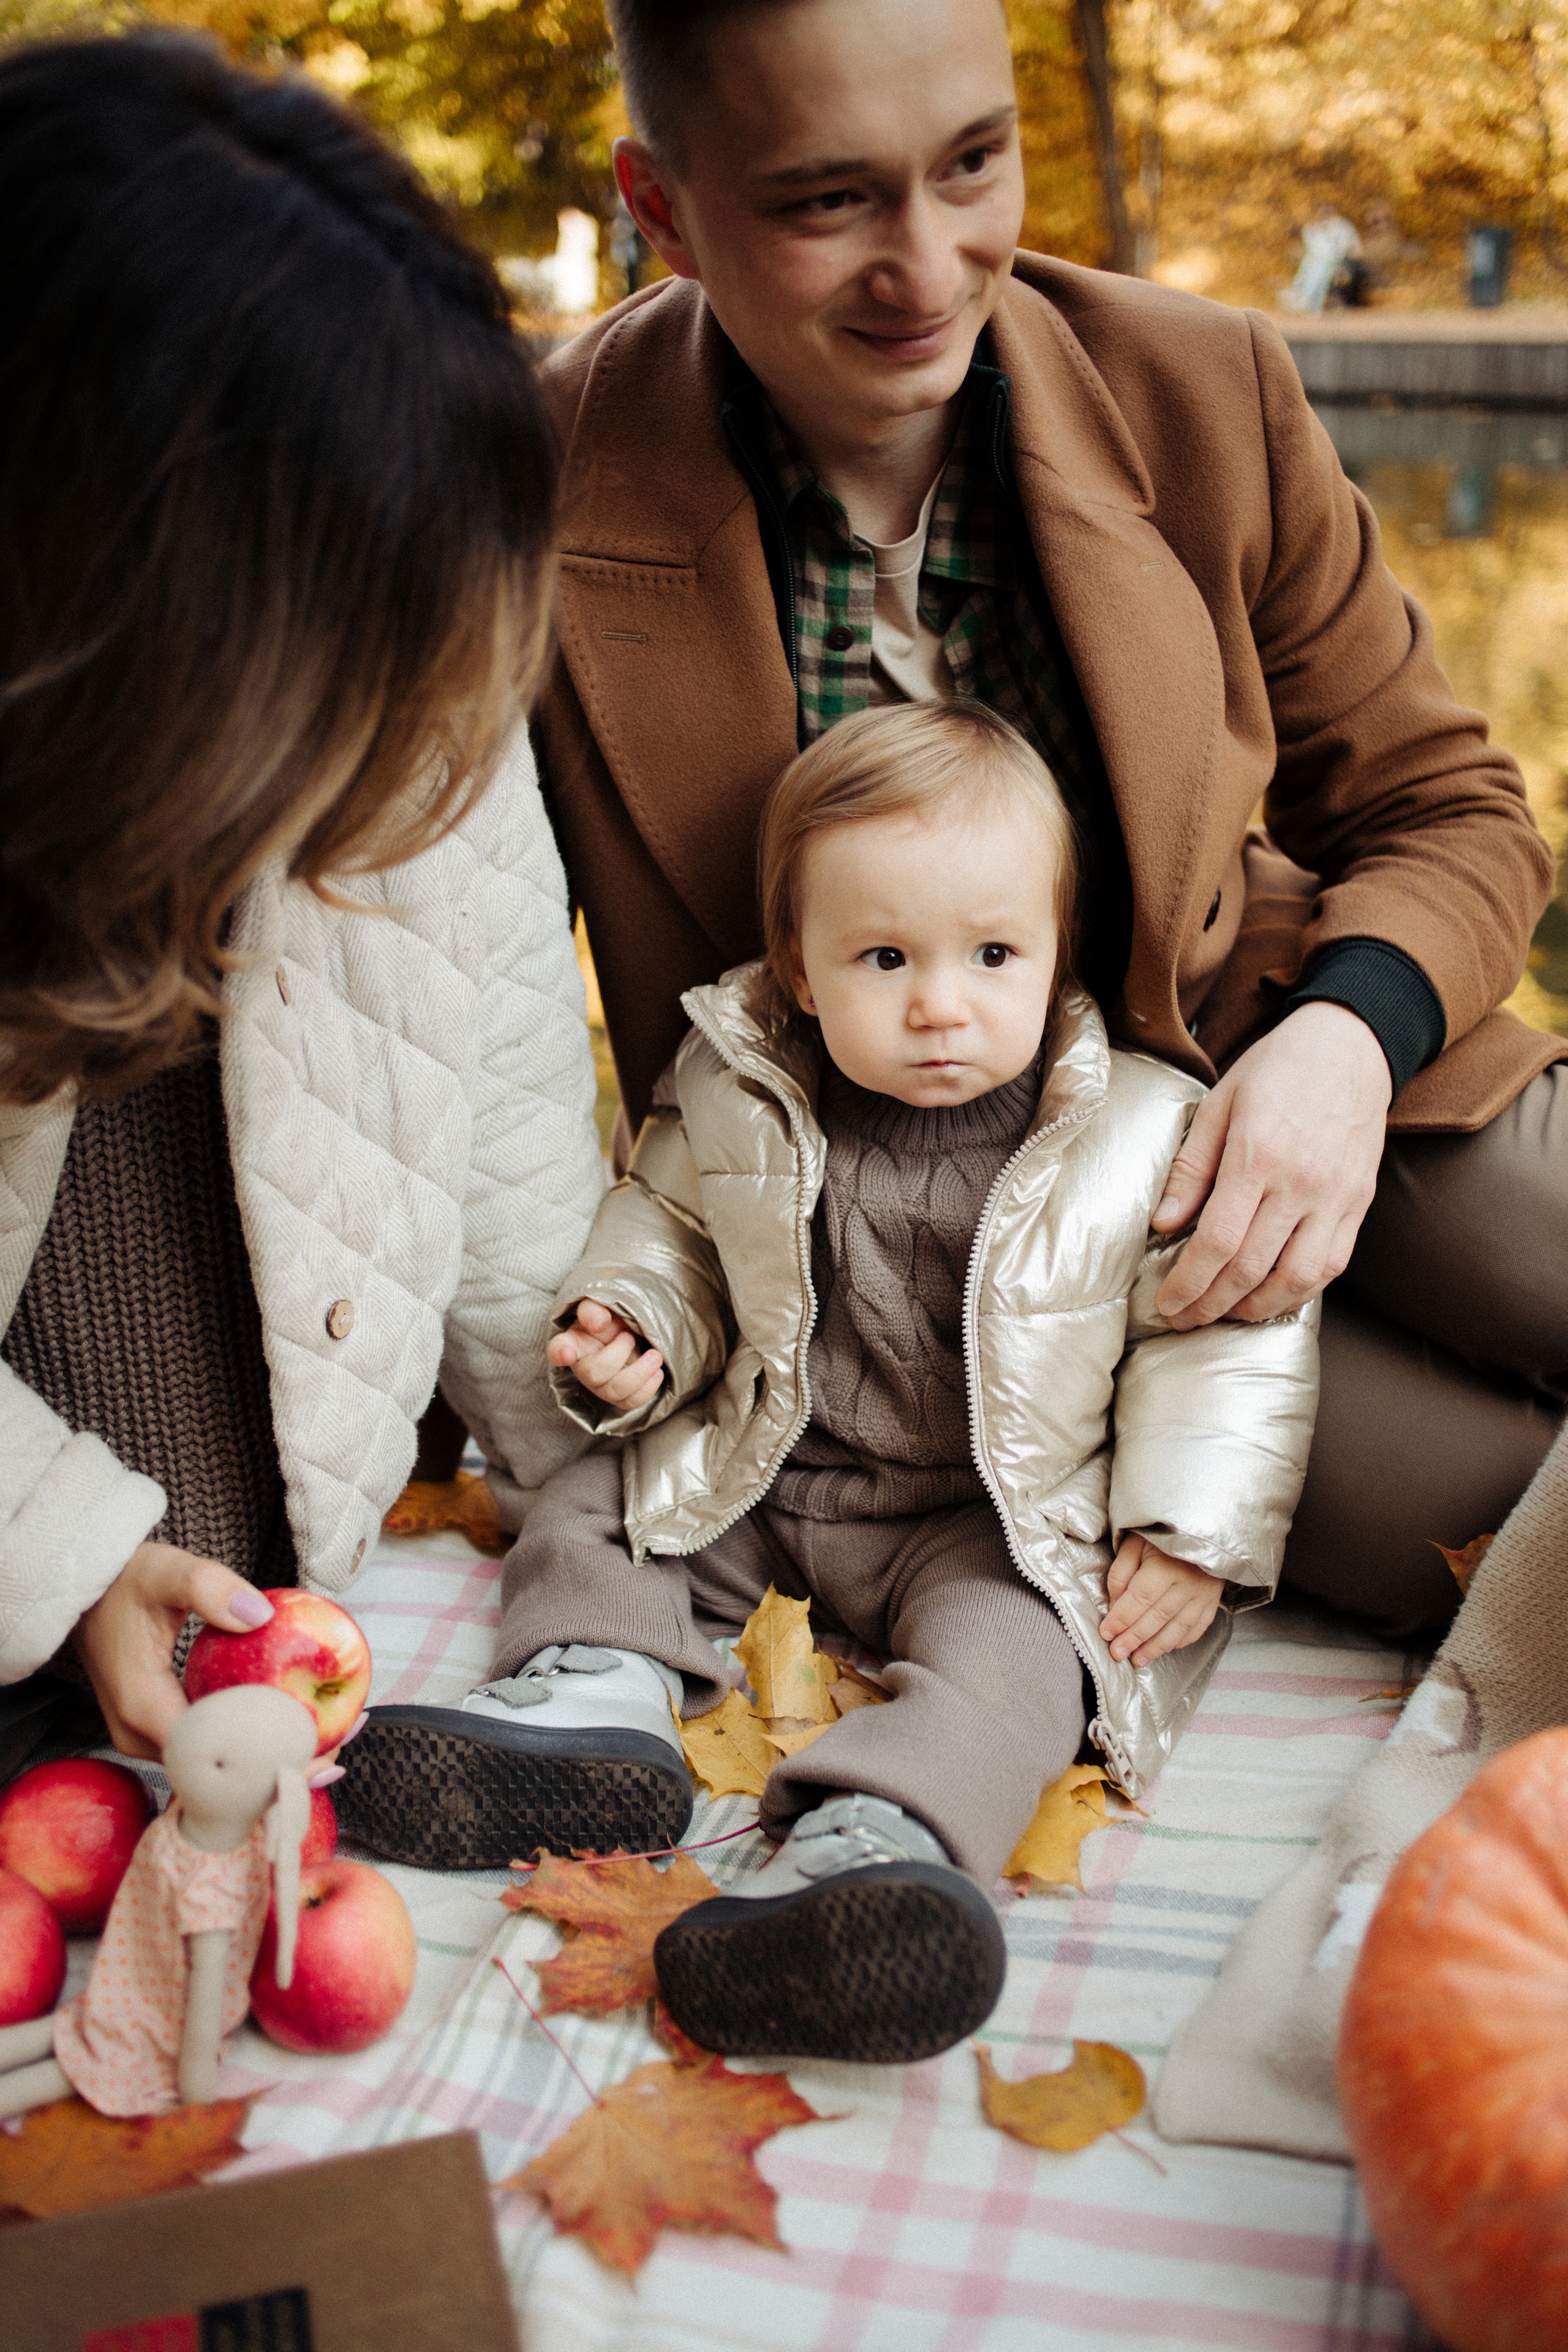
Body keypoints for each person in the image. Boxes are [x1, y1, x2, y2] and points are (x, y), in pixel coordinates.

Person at [527, 0, 1566, 1642]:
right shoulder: (527, 483)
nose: (927, 268)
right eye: (829, 201)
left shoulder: (1203, 386)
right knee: (1515, 1543)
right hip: (921, 1272)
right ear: (660, 208)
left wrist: (1347, 1044)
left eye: (971, 166)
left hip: (1272, 1045)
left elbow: (1449, 812)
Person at [346, 701, 1318, 2062]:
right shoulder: (739, 1081)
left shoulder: (1139, 1127)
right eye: (884, 957)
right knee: (597, 1500)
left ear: (1055, 949)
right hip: (767, 1463)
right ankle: (593, 1698)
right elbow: (671, 1227)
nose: (940, 1003)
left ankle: (876, 1844)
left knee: (1025, 1657)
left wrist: (1188, 1526)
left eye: (992, 954)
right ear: (800, 972)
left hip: (981, 1517)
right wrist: (636, 1326)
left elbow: (1223, 1337)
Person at [0, 32, 605, 1781]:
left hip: (265, 1618)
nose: (407, 749)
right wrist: (64, 1555)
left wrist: (628, 1486)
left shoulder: (423, 697)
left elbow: (506, 1142)